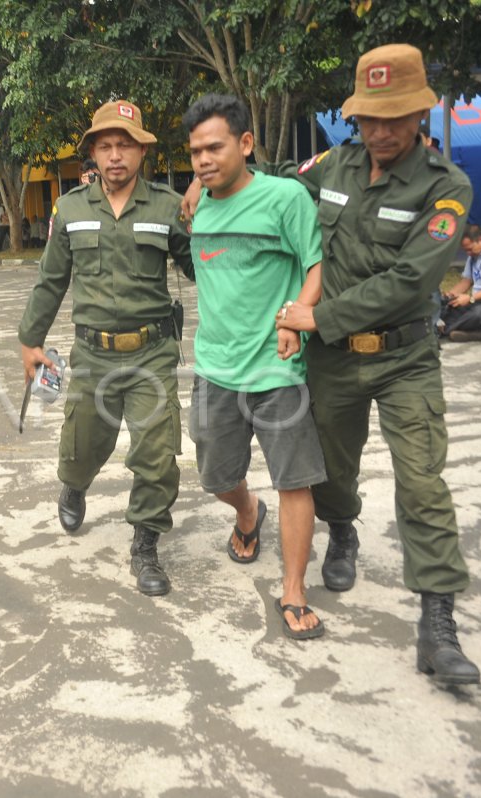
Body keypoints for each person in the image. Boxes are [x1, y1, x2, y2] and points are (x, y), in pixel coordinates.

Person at [189, 44, 478, 684]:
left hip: (403, 357)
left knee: (423, 483)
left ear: (419, 112)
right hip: (334, 363)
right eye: (369, 117)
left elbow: (411, 278)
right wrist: (203, 175)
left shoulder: (446, 187)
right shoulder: (333, 166)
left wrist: (315, 316)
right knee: (332, 472)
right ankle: (342, 532)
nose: (380, 131)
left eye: (394, 117)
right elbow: (268, 182)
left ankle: (438, 624)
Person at [19, 99, 193, 596]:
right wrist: (30, 342)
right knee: (82, 445)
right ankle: (73, 485)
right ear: (93, 153)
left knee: (158, 453)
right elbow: (50, 281)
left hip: (152, 352)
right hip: (92, 353)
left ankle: (145, 543)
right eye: (107, 146)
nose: (116, 156)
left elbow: (202, 267)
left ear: (142, 152)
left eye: (126, 146)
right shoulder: (70, 209)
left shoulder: (167, 207)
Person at [183, 94, 327, 639]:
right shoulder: (195, 205)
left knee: (296, 480)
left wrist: (294, 320)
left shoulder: (285, 198)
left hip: (277, 370)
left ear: (245, 144)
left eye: (214, 147)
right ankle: (247, 513)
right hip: (215, 368)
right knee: (216, 476)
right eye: (195, 151)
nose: (202, 160)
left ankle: (293, 588)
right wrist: (199, 189)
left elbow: (315, 266)